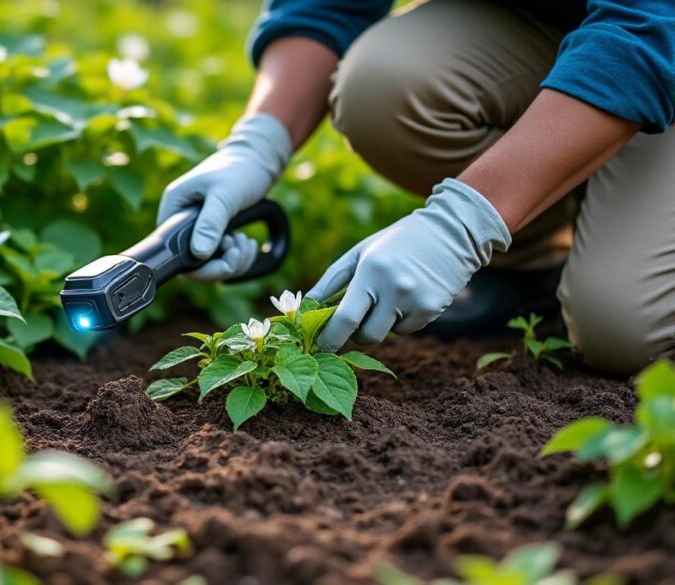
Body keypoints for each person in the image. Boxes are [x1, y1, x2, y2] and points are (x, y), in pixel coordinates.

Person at [156, 0, 675, 375]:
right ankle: (535, 266)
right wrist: (256, 142)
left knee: (623, 328)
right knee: (382, 85)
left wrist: (463, 223)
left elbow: (648, 28)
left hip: (654, 32)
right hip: (566, 28)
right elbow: (324, 6)